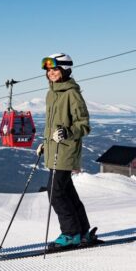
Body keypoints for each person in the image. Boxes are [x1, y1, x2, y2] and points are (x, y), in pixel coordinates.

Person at [35, 53, 94, 246]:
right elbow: (52, 125)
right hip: (54, 150)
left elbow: (84, 125)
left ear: (65, 70)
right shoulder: (51, 94)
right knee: (67, 192)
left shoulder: (72, 93)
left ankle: (70, 233)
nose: (51, 73)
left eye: (55, 69)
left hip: (66, 151)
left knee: (55, 193)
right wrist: (46, 144)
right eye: (48, 70)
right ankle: (83, 231)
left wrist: (67, 132)